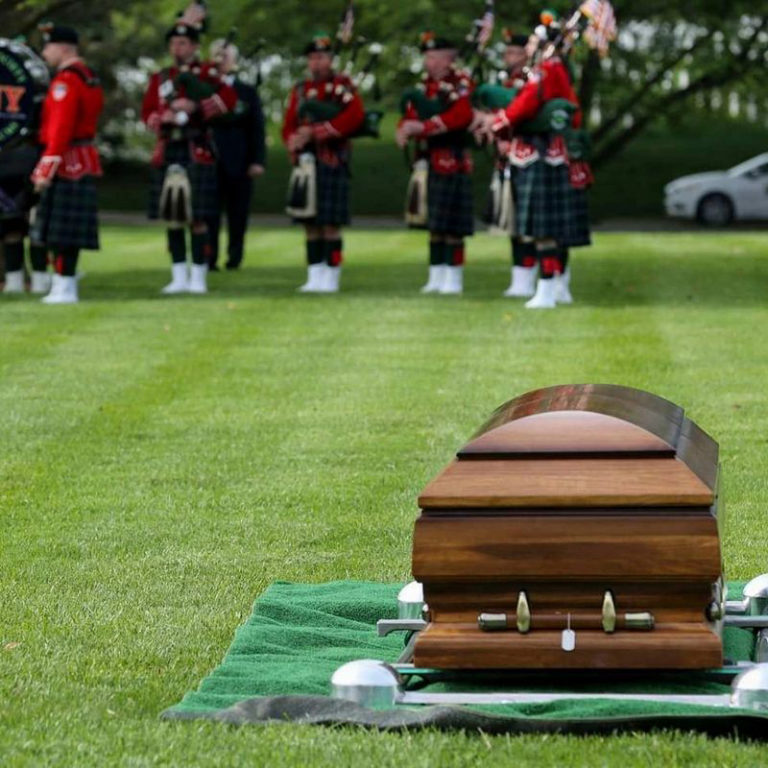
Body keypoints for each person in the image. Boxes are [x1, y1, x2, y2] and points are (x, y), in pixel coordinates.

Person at [487, 28, 582, 309]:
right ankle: (552, 288)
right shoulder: (552, 69)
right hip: (546, 155)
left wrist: (496, 123)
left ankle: (547, 290)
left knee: (543, 231)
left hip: (540, 156)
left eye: (531, 41)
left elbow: (526, 104)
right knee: (546, 230)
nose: (527, 46)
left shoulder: (547, 70)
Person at [141, 21, 236, 295]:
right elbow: (147, 112)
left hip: (197, 149)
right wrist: (163, 117)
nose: (177, 48)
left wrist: (196, 106)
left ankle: (199, 277)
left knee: (198, 217)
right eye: (173, 43)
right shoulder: (161, 77)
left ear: (195, 46)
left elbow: (228, 101)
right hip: (169, 148)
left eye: (183, 43)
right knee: (173, 216)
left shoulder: (207, 74)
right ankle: (178, 276)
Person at [281, 32, 365, 294]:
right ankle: (314, 276)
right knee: (310, 223)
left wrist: (318, 132)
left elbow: (354, 118)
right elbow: (288, 125)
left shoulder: (344, 87)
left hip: (331, 161)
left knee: (330, 224)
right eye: (313, 58)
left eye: (322, 57)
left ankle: (332, 276)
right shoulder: (300, 90)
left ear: (331, 59)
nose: (317, 63)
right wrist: (292, 140)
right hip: (306, 164)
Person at [27, 23, 104, 304]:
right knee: (65, 228)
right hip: (82, 158)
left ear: (63, 48)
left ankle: (64, 286)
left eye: (48, 46)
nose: (45, 53)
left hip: (66, 161)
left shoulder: (66, 82)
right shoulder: (89, 77)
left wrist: (45, 169)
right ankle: (64, 283)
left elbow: (60, 129)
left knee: (59, 228)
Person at [397, 33, 475, 295]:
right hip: (427, 161)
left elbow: (461, 115)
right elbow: (410, 114)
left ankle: (454, 279)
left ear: (447, 58)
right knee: (434, 225)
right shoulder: (424, 87)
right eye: (426, 57)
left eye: (432, 57)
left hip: (452, 160)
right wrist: (403, 128)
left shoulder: (461, 83)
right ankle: (435, 277)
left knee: (452, 226)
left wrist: (425, 127)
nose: (428, 62)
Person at [206, 39, 266, 271]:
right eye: (217, 56)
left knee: (238, 212)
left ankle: (235, 257)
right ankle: (208, 257)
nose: (221, 61)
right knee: (209, 212)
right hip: (210, 158)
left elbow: (257, 129)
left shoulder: (247, 92)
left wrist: (257, 160)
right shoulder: (205, 89)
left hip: (240, 161)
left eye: (226, 56)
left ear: (234, 61)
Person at [1, 142, 49, 295]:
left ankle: (38, 281)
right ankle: (16, 282)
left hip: (30, 160)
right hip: (15, 162)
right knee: (12, 225)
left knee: (36, 226)